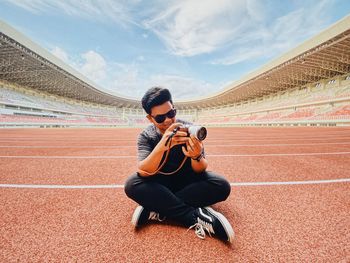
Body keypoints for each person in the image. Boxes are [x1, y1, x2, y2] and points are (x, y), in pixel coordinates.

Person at [124, 87, 234, 243]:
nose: (168, 120)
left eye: (171, 113)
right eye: (160, 118)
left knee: (221, 185)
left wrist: (196, 155)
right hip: (160, 184)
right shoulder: (146, 136)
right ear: (150, 118)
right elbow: (143, 171)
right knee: (132, 184)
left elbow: (201, 169)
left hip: (187, 182)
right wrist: (163, 144)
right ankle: (197, 218)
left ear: (174, 109)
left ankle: (155, 208)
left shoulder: (190, 129)